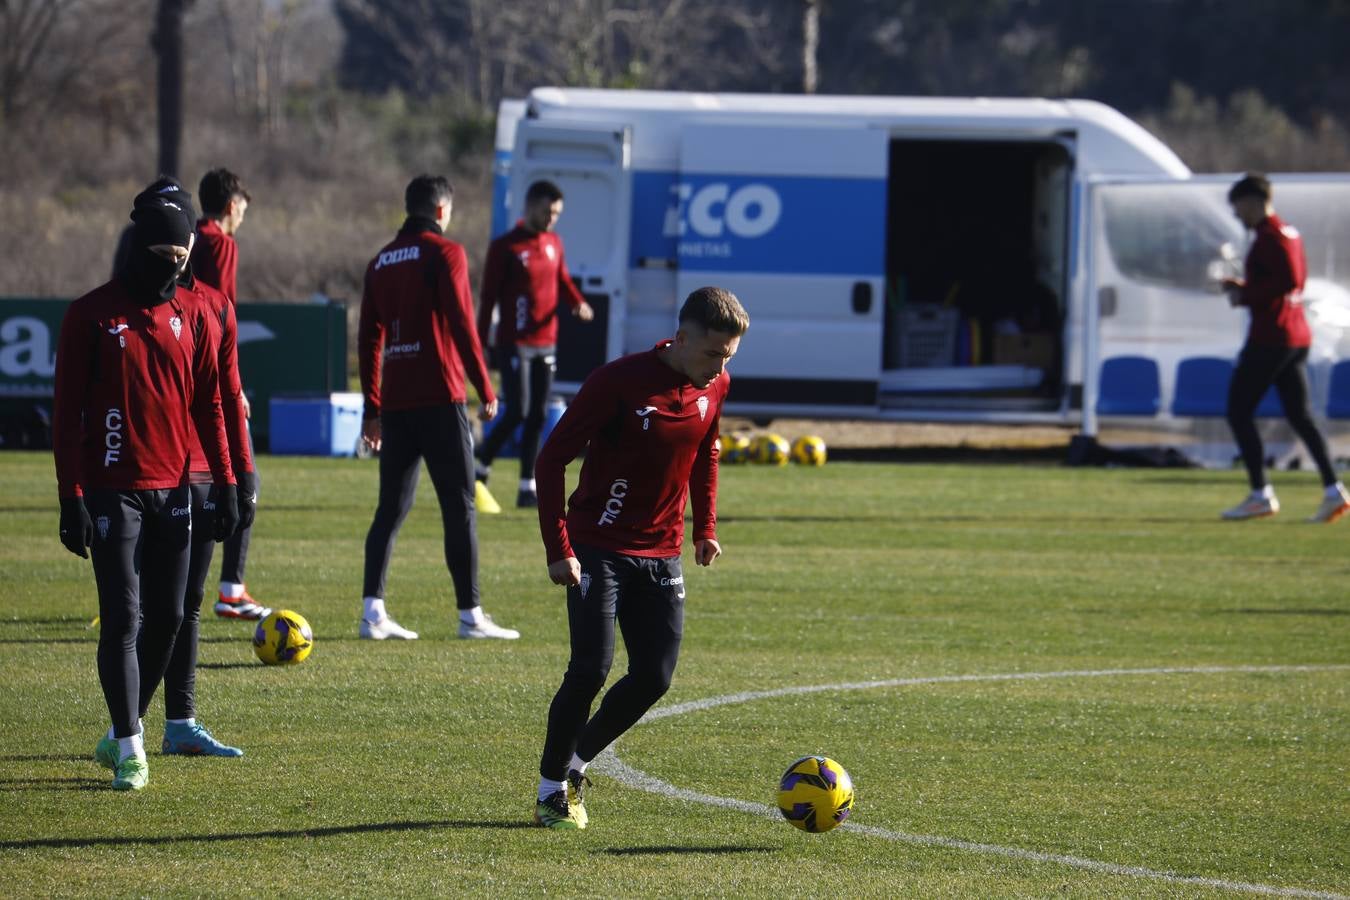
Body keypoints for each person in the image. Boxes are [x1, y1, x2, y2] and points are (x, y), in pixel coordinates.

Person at [530, 286, 749, 829]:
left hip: (662, 551)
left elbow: (706, 452)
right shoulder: (617, 382)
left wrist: (706, 527)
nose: (720, 367)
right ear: (681, 338)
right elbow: (551, 460)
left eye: (729, 356)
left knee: (655, 676)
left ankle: (576, 764)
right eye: (713, 353)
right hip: (598, 546)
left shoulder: (715, 384)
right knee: (590, 669)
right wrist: (559, 548)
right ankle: (551, 789)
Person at [54, 192, 241, 791]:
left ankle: (121, 728)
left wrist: (228, 481)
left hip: (177, 487)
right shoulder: (91, 315)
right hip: (113, 488)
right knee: (123, 617)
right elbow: (66, 414)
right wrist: (70, 496)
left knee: (171, 615)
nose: (174, 267)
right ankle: (132, 747)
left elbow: (211, 404)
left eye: (183, 258)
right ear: (140, 249)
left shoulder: (195, 314)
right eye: (165, 255)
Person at [357, 174, 519, 641]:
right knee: (460, 505)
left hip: (396, 402)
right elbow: (462, 324)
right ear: (443, 210)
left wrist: (372, 408)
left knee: (390, 509)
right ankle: (471, 616)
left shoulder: (380, 261)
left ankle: (373, 613)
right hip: (441, 398)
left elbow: (369, 339)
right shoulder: (446, 253)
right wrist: (485, 387)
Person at [1219, 172, 1348, 522]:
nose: (1237, 215)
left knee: (1238, 411)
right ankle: (1333, 490)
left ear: (1253, 202)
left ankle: (1260, 493)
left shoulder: (1270, 236)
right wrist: (1247, 288)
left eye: (1238, 207)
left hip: (1271, 337)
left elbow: (1287, 281)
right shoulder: (1289, 233)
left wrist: (1244, 294)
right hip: (1294, 335)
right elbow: (1288, 280)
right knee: (1300, 416)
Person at [476, 180, 594, 508]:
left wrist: (577, 302)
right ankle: (481, 463)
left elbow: (562, 279)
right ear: (529, 207)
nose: (551, 219)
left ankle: (527, 487)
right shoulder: (506, 247)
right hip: (515, 341)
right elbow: (488, 298)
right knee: (519, 410)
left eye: (556, 213)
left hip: (547, 342)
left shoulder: (554, 242)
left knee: (539, 415)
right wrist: (480, 342)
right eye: (547, 212)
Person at [192, 167, 267, 620]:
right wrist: (233, 388)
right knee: (243, 477)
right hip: (213, 384)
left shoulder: (186, 237)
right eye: (242, 209)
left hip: (178, 379)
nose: (241, 218)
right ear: (230, 205)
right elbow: (220, 317)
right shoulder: (220, 244)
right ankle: (231, 590)